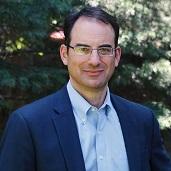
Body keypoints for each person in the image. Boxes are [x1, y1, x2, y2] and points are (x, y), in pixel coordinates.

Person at [0, 6, 171, 171]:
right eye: (83, 49)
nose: (94, 60)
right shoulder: (28, 125)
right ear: (65, 54)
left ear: (116, 56)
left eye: (104, 49)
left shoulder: (143, 121)